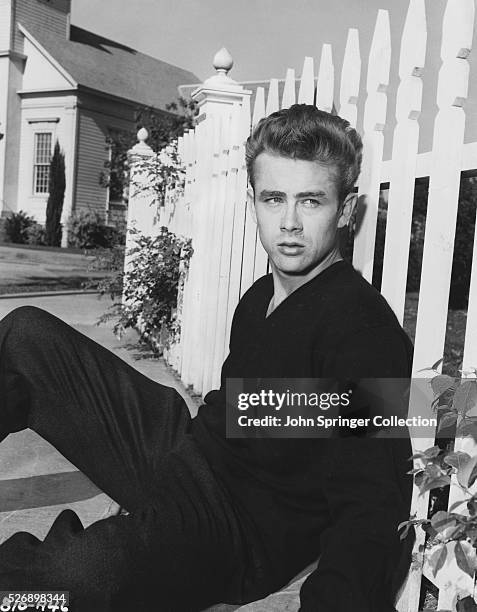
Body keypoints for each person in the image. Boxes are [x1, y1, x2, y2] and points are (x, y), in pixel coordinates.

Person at [0, 104, 414, 612]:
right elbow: (240, 410)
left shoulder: (363, 329)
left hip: (236, 531)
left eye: (311, 201)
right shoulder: (261, 297)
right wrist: (158, 478)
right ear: (253, 202)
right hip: (191, 455)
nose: (288, 222)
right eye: (273, 199)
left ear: (346, 210)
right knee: (25, 337)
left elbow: (373, 502)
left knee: (73, 583)